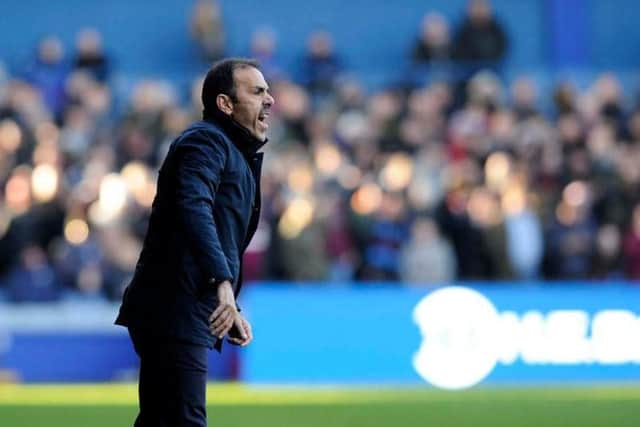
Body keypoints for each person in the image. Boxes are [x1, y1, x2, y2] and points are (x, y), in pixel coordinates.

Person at [114, 58, 274, 426]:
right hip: (174, 304)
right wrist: (221, 283)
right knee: (185, 420)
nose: (270, 100)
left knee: (161, 419)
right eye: (258, 91)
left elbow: (215, 228)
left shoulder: (232, 151)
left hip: (182, 302)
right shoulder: (205, 141)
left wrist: (228, 296)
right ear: (225, 103)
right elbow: (193, 207)